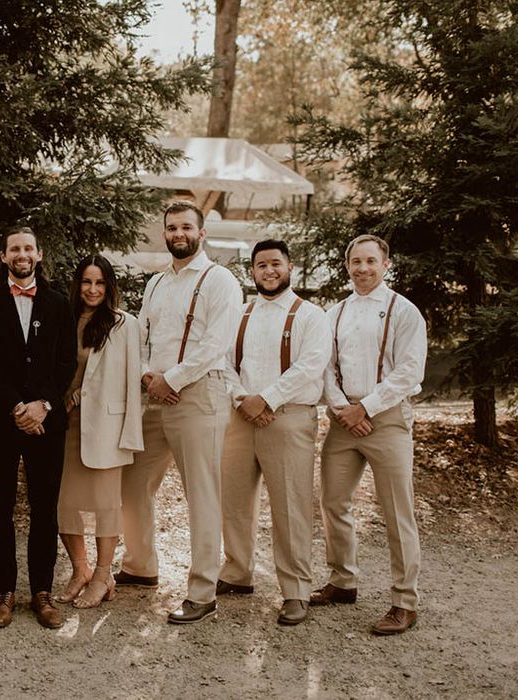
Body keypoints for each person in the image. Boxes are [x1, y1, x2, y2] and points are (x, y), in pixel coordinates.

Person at [116, 200, 242, 624]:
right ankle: (140, 566)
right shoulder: (156, 284)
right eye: (171, 228)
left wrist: (175, 379)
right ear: (165, 233)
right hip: (155, 393)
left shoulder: (220, 280)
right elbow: (142, 339)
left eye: (186, 226)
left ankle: (203, 592)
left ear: (201, 233)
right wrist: (152, 377)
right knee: (132, 481)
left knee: (201, 494)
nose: (178, 234)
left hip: (199, 394)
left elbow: (217, 343)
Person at [312, 233, 426, 636]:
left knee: (398, 510)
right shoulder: (334, 313)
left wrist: (368, 407)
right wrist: (344, 408)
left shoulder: (404, 311)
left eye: (370, 261)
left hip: (387, 418)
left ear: (386, 264)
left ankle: (404, 601)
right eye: (355, 262)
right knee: (333, 501)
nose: (363, 268)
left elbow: (410, 371)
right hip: (346, 418)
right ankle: (343, 581)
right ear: (347, 266)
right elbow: (323, 367)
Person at [0, 226, 76, 629]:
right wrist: (16, 405)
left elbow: (66, 362)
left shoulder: (58, 304)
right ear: (3, 256)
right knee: (0, 506)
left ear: (39, 254)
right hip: (0, 420)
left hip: (47, 422)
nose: (22, 254)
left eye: (28, 248)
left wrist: (42, 406)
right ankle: (4, 591)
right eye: (15, 248)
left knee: (45, 507)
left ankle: (42, 593)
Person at [218, 239, 330, 625]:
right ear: (252, 271)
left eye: (275, 264)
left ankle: (296, 590)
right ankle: (237, 572)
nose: (269, 271)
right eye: (261, 265)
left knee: (290, 505)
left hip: (288, 418)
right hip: (240, 415)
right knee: (233, 499)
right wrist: (241, 399)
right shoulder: (240, 313)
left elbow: (310, 365)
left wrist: (265, 399)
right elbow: (224, 361)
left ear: (290, 267)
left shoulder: (311, 315)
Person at [55, 255, 143, 609]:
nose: (93, 290)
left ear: (109, 287)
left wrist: (130, 435)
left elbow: (132, 383)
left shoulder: (124, 324)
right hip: (65, 425)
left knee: (107, 506)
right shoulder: (65, 319)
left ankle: (104, 576)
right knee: (63, 505)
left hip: (107, 426)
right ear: (78, 285)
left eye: (100, 283)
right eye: (87, 282)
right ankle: (81, 570)